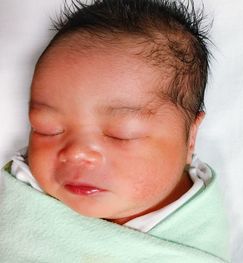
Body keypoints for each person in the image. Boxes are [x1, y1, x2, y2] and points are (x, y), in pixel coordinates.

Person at [0, 0, 230, 262]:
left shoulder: (191, 240)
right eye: (47, 129)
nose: (76, 152)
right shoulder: (25, 194)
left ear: (190, 138)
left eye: (121, 134)